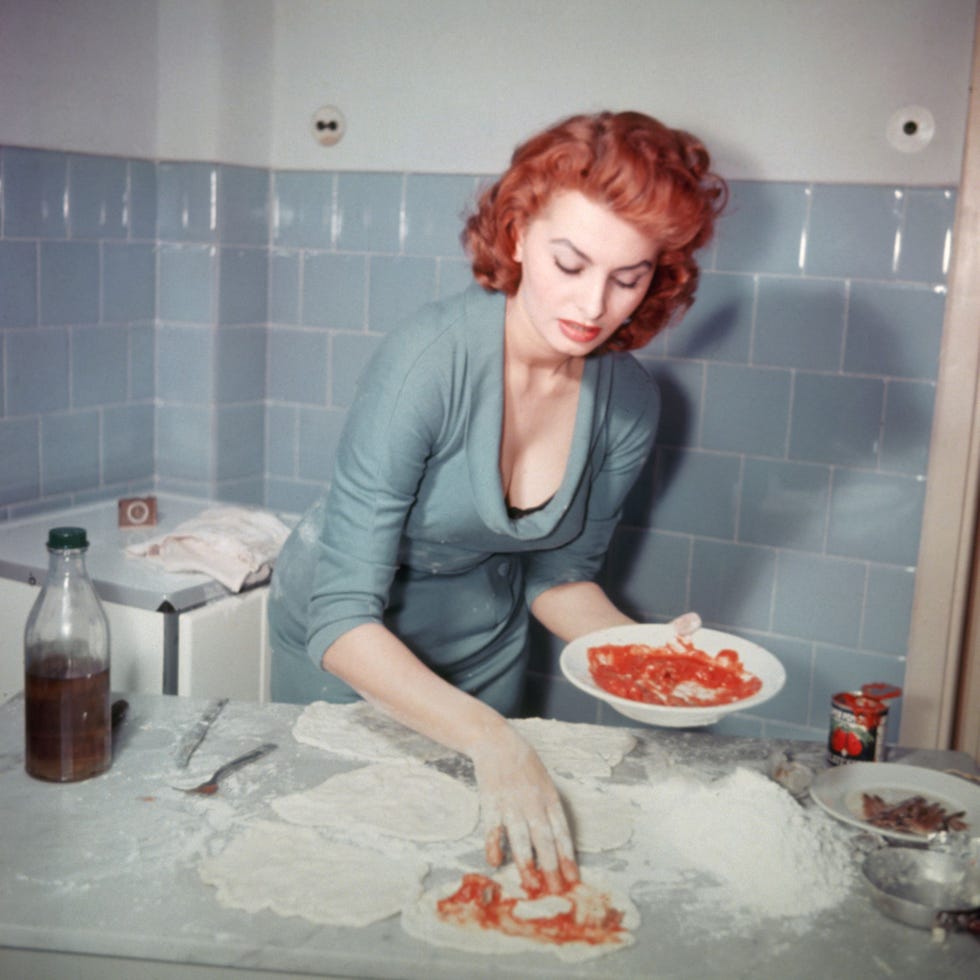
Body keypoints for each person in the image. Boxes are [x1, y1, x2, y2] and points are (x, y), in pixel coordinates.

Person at [268, 110, 726, 894]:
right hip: (349, 654)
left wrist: (644, 656)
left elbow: (558, 578)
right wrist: (495, 744)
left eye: (629, 277)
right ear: (515, 234)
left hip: (487, 653)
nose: (594, 304)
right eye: (570, 262)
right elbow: (341, 615)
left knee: (469, 888)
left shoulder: (630, 404)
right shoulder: (429, 361)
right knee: (344, 877)